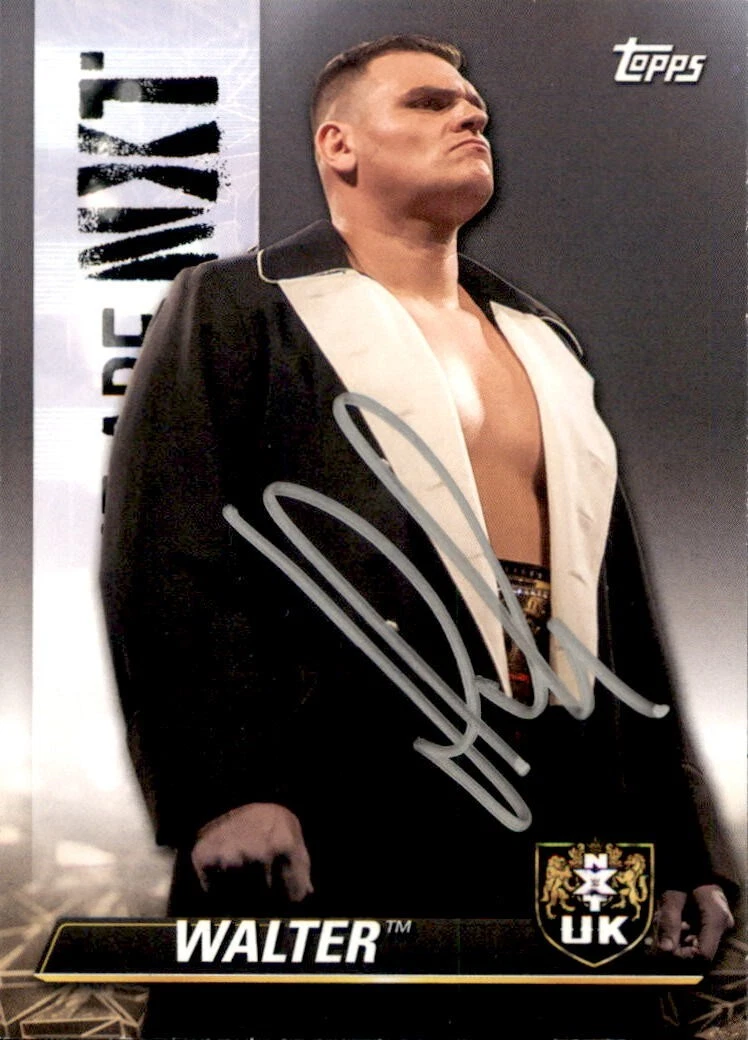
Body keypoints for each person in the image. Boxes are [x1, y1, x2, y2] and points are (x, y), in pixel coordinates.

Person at [100, 34, 736, 1039]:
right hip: (342, 788)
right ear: (339, 144)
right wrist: (228, 789)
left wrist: (681, 842)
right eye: (430, 102)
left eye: (474, 104)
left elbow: (622, 611)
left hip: (569, 791)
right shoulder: (237, 306)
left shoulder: (547, 341)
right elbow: (168, 553)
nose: (471, 114)